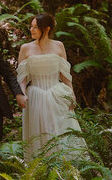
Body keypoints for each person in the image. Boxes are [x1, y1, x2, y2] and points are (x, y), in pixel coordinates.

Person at [17, 13, 87, 161]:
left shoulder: (59, 45)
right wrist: (22, 94)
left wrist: (72, 94)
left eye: (36, 27)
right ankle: (41, 167)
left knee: (62, 128)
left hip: (57, 93)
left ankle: (66, 166)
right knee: (39, 132)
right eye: (31, 26)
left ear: (47, 29)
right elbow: (22, 78)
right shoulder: (25, 48)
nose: (32, 30)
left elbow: (65, 76)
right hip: (35, 94)